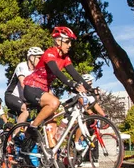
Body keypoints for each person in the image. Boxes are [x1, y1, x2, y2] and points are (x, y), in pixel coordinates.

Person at [22, 26, 90, 154]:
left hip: (43, 90)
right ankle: (33, 127)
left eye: (71, 42)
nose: (70, 45)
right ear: (58, 41)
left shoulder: (65, 58)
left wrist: (90, 88)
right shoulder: (49, 53)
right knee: (54, 102)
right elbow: (56, 72)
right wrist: (71, 84)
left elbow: (75, 74)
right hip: (32, 87)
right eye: (68, 41)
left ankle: (52, 156)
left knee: (52, 125)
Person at [4, 47, 44, 123]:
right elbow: (24, 85)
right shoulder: (22, 66)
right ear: (31, 57)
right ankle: (16, 134)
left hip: (26, 99)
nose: (41, 61)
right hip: (12, 96)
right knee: (25, 111)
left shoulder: (38, 72)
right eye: (39, 58)